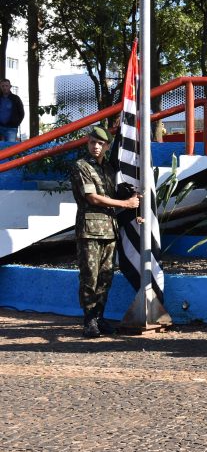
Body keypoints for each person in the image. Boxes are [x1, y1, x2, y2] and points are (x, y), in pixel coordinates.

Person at [70, 127, 140, 338]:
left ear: (108, 146)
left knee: (105, 278)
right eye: (92, 142)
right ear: (88, 143)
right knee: (89, 277)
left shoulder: (109, 169)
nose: (96, 146)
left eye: (101, 143)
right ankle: (89, 320)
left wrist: (135, 206)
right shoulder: (81, 167)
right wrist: (126, 203)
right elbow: (93, 198)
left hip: (109, 230)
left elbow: (117, 194)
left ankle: (99, 317)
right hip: (90, 230)